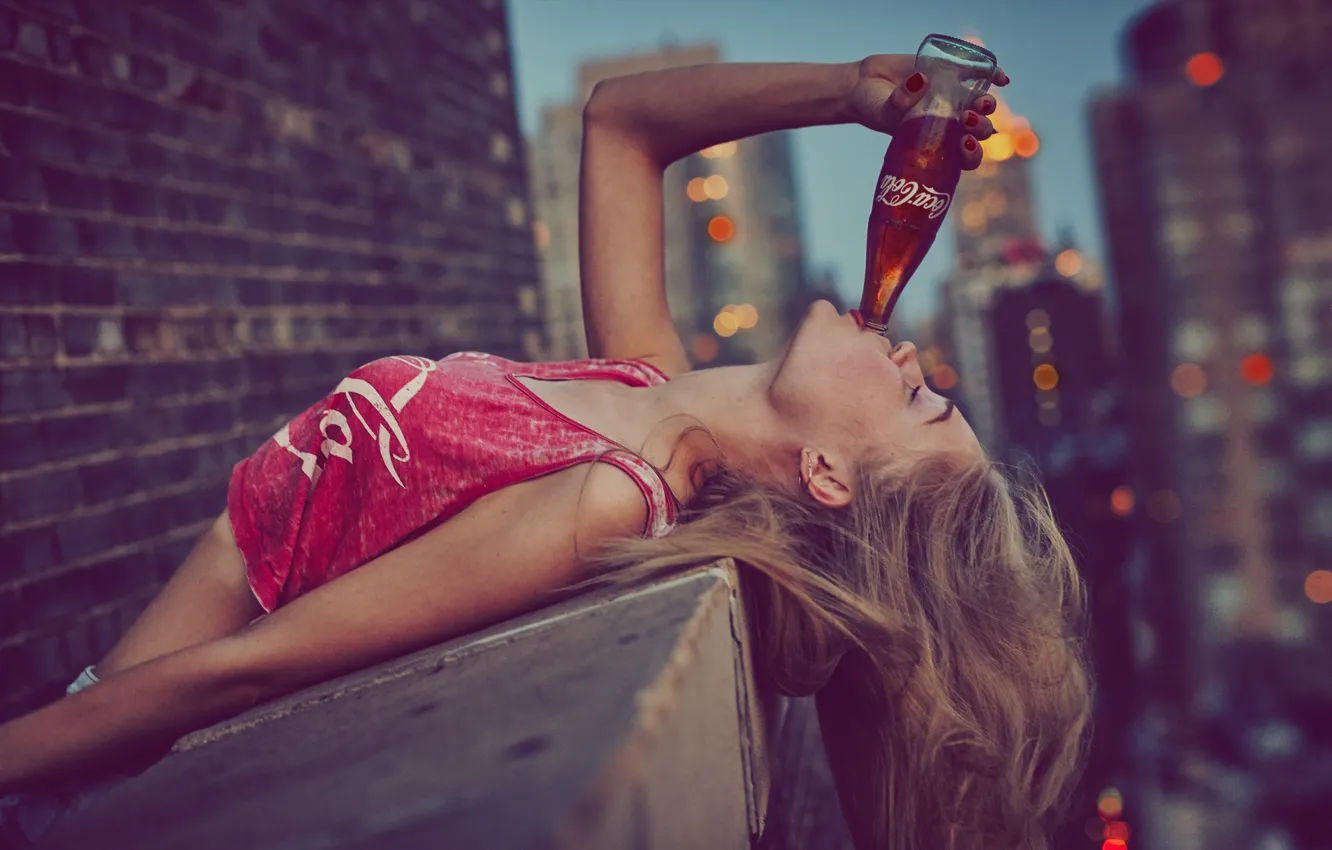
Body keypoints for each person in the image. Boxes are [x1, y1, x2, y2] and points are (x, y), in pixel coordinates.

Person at [0, 51, 1091, 850]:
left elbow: (256, 663)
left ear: (828, 476)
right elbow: (622, 123)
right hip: (97, 725)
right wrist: (853, 94)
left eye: (924, 405)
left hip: (93, 750)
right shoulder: (643, 391)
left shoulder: (611, 500)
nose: (915, 363)